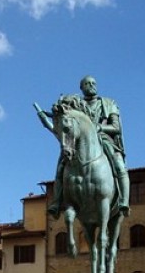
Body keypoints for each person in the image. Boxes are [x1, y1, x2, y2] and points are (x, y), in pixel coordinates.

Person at [37, 75, 130, 219]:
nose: (91, 85)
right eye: (87, 83)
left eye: (93, 83)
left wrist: (97, 128)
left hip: (103, 139)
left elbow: (116, 127)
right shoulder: (76, 106)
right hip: (78, 143)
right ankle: (56, 203)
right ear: (82, 88)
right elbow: (64, 125)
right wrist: (50, 117)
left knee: (119, 164)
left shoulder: (108, 103)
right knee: (61, 166)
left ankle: (123, 201)